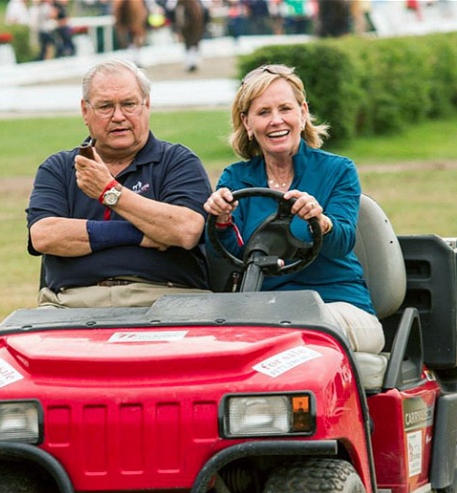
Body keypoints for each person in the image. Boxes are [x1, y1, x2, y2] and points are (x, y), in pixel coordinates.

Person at [203, 64, 384, 354]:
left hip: (337, 306)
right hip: (267, 311)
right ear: (247, 123)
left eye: (285, 109)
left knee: (299, 332)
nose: (276, 121)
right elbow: (228, 256)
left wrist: (321, 222)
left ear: (302, 112)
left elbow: (343, 241)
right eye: (263, 113)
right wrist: (221, 220)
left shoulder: (338, 170)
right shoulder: (235, 178)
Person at [26, 58, 212, 309]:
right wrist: (140, 234)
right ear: (85, 111)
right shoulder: (59, 167)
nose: (118, 116)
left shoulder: (177, 161)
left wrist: (109, 192)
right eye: (105, 106)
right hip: (72, 303)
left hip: (168, 301)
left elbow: (186, 230)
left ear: (146, 105)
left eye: (129, 104)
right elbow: (44, 235)